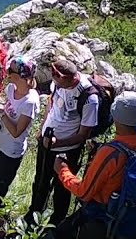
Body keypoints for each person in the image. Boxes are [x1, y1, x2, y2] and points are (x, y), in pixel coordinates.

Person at [33, 91, 136, 239]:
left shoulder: (111, 152)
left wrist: (62, 169)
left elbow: (84, 191)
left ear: (117, 117)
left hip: (98, 215)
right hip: (122, 217)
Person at [29, 58, 100, 226]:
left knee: (62, 188)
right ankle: (33, 215)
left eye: (56, 75)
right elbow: (51, 105)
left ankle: (56, 224)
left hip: (68, 150)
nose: (53, 78)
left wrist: (56, 144)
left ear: (67, 77)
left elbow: (84, 134)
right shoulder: (58, 84)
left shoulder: (89, 98)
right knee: (40, 181)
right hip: (47, 143)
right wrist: (42, 130)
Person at [0, 55, 40, 207]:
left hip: (12, 151)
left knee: (2, 185)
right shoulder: (11, 89)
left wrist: (1, 112)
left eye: (11, 71)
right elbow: (9, 110)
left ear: (19, 76)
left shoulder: (30, 102)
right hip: (0, 141)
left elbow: (17, 132)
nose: (8, 73)